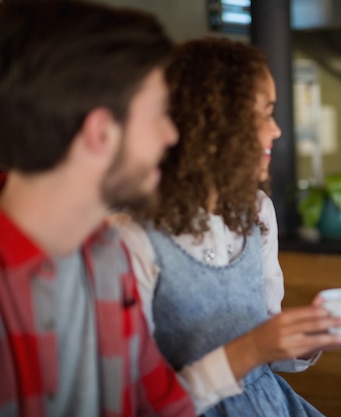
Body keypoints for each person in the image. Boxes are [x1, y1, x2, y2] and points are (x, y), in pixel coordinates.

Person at [111, 36, 341, 417]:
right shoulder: (130, 238)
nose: (276, 131)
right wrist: (253, 349)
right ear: (212, 122)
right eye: (264, 114)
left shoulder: (256, 211)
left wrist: (308, 338)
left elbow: (265, 350)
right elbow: (135, 404)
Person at [0, 1, 197, 416]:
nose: (172, 135)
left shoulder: (108, 254)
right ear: (101, 132)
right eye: (160, 113)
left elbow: (161, 405)